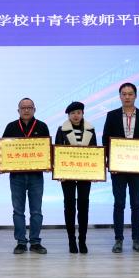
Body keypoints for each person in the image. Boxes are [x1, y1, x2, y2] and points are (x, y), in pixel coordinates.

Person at [103, 82, 139, 254]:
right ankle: (118, 240)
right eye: (124, 94)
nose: (127, 97)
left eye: (130, 94)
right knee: (119, 204)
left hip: (137, 168)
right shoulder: (112, 115)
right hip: (118, 168)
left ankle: (136, 240)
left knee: (136, 204)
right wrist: (110, 162)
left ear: (136, 96)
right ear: (119, 96)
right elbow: (105, 139)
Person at [2, 97, 51, 254]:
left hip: (36, 176)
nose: (26, 110)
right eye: (23, 108)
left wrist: (48, 163)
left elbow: (47, 150)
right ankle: (21, 242)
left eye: (29, 107)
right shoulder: (11, 127)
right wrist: (3, 164)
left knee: (36, 210)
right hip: (17, 176)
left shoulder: (42, 126)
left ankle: (35, 242)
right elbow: (3, 150)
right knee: (18, 211)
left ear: (34, 109)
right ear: (18, 110)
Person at [54, 101, 97, 254]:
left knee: (84, 206)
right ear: (68, 115)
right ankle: (71, 240)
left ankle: (82, 241)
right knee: (70, 206)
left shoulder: (91, 129)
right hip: (67, 175)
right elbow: (57, 151)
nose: (76, 115)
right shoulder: (61, 130)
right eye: (72, 113)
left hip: (85, 174)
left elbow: (95, 152)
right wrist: (59, 172)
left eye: (78, 112)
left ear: (83, 113)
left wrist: (96, 172)